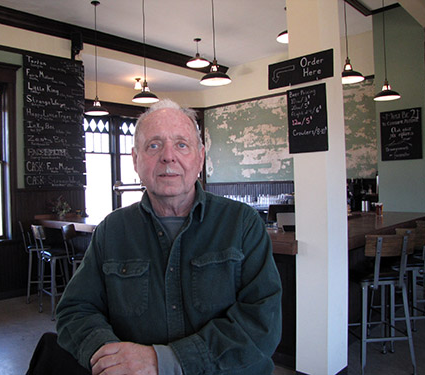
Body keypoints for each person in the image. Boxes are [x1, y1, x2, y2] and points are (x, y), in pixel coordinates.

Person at [56, 99, 282, 375]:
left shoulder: (243, 224)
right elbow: (74, 311)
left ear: (200, 157)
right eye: (154, 145)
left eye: (181, 144)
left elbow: (262, 324)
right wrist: (115, 359)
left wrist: (161, 361)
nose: (168, 156)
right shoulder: (111, 231)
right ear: (135, 160)